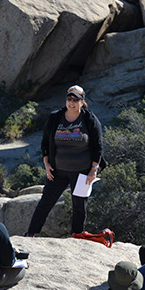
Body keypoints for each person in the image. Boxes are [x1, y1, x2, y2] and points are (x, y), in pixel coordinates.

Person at [25, 85, 105, 237]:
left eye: (76, 99)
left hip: (82, 172)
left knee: (79, 206)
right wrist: (47, 164)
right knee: (45, 203)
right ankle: (31, 233)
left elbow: (98, 147)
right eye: (69, 98)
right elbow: (45, 142)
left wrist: (93, 170)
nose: (72, 102)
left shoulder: (90, 120)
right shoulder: (56, 117)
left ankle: (77, 234)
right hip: (57, 170)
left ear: (82, 101)